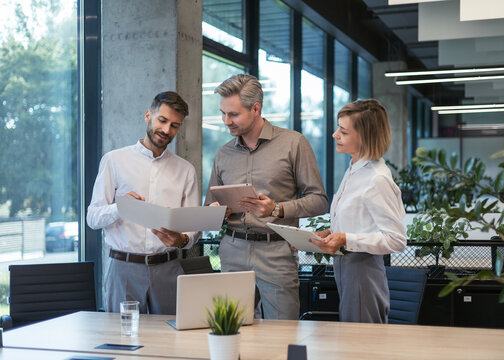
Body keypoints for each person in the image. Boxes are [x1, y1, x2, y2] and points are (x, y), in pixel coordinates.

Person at [205, 74, 328, 320]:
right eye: (223, 113)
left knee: (282, 335)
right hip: (232, 250)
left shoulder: (293, 143)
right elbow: (209, 205)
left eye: (233, 114)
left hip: (276, 252)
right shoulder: (222, 154)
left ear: (256, 108)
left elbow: (320, 200)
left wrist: (278, 209)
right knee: (232, 333)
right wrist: (217, 211)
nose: (225, 121)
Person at [87, 91, 200, 315]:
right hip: (124, 269)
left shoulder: (186, 170)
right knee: (122, 342)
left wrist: (182, 239)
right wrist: (120, 207)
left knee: (171, 344)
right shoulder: (114, 161)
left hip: (168, 269)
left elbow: (193, 226)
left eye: (175, 125)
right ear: (148, 115)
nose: (167, 130)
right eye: (163, 120)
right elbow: (92, 218)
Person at [310, 99, 406, 323]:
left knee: (361, 346)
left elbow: (397, 240)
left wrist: (345, 238)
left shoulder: (376, 178)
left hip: (362, 270)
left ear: (364, 137)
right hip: (345, 266)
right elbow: (359, 221)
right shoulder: (355, 168)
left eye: (343, 131)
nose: (335, 135)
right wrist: (331, 232)